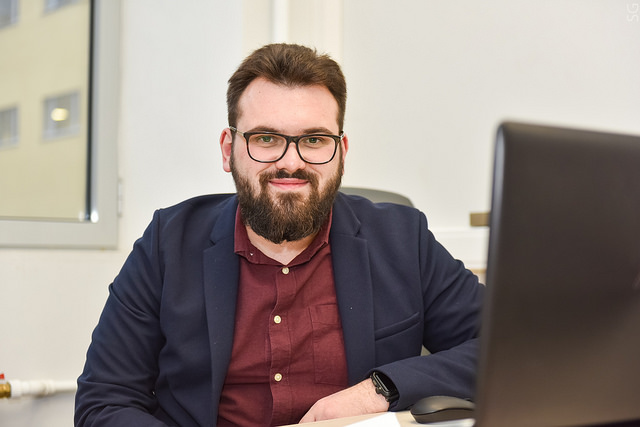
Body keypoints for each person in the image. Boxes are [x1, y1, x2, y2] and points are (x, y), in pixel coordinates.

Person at [75, 43, 484, 426]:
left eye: (314, 139)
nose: (291, 162)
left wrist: (379, 390)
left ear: (341, 153)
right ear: (228, 149)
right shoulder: (167, 244)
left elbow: (504, 346)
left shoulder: (403, 239)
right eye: (266, 139)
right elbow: (104, 402)